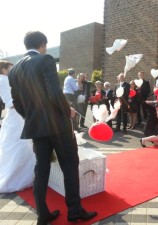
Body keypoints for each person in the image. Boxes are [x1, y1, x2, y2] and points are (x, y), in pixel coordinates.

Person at [8, 31, 97, 225]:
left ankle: (43, 214)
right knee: (70, 165)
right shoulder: (45, 59)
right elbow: (54, 93)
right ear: (42, 44)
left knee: (41, 169)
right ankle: (74, 210)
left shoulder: (14, 70)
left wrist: (30, 118)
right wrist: (68, 111)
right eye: (46, 46)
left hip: (36, 128)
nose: (46, 49)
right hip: (57, 125)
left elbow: (17, 102)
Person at [0, 60, 35, 193]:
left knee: (20, 145)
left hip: (17, 116)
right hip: (16, 116)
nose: (13, 71)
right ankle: (15, 178)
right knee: (19, 145)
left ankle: (21, 175)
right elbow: (10, 102)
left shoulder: (6, 80)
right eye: (11, 68)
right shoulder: (3, 80)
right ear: (3, 69)